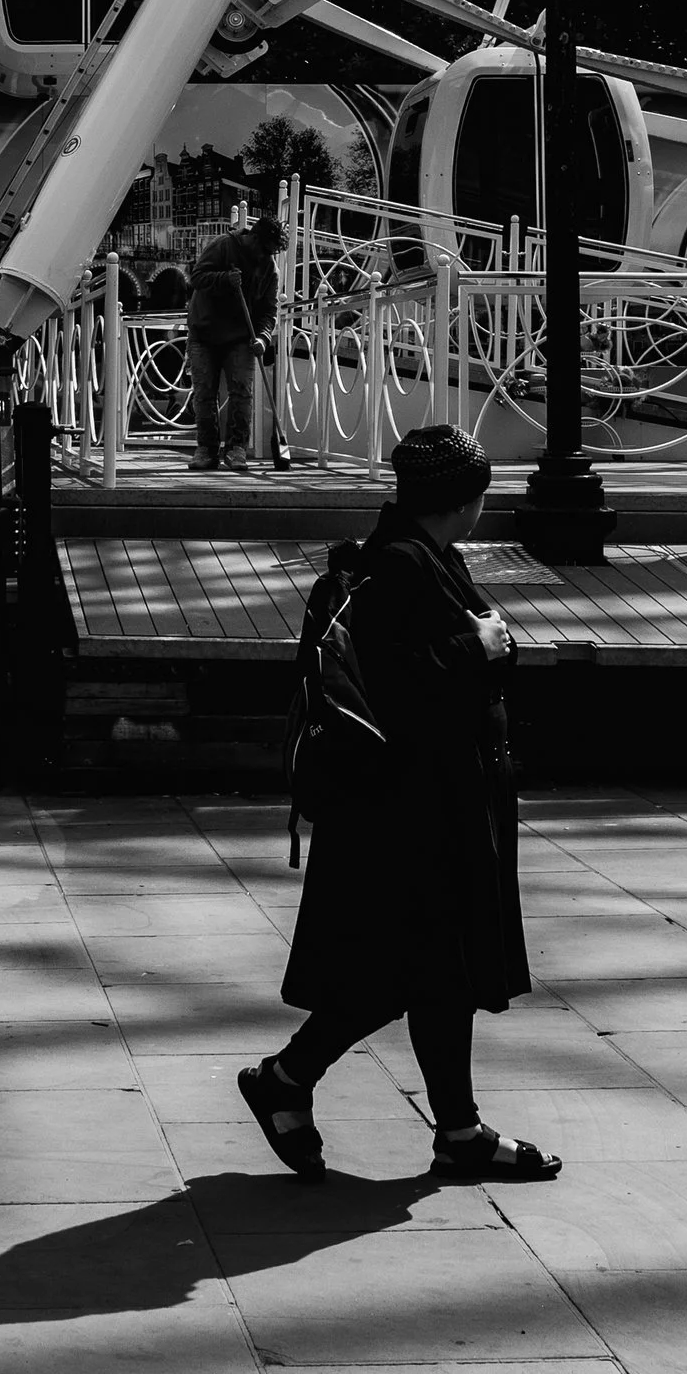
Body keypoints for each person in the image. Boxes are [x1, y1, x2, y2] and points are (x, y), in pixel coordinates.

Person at [240, 422, 559, 1184]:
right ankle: (286, 1079)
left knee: (433, 971)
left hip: (423, 803)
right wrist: (481, 649)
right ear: (467, 500)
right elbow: (406, 685)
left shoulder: (413, 556)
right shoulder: (403, 567)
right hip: (412, 810)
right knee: (405, 971)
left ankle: (456, 1129)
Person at [184, 211, 285, 473]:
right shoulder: (222, 246)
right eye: (264, 249)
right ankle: (206, 449)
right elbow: (196, 278)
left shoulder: (269, 268)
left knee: (242, 391)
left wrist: (263, 337)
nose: (266, 256)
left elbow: (268, 311)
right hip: (204, 332)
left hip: (241, 336)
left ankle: (236, 448)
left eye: (271, 252)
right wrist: (224, 279)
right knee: (205, 393)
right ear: (253, 237)